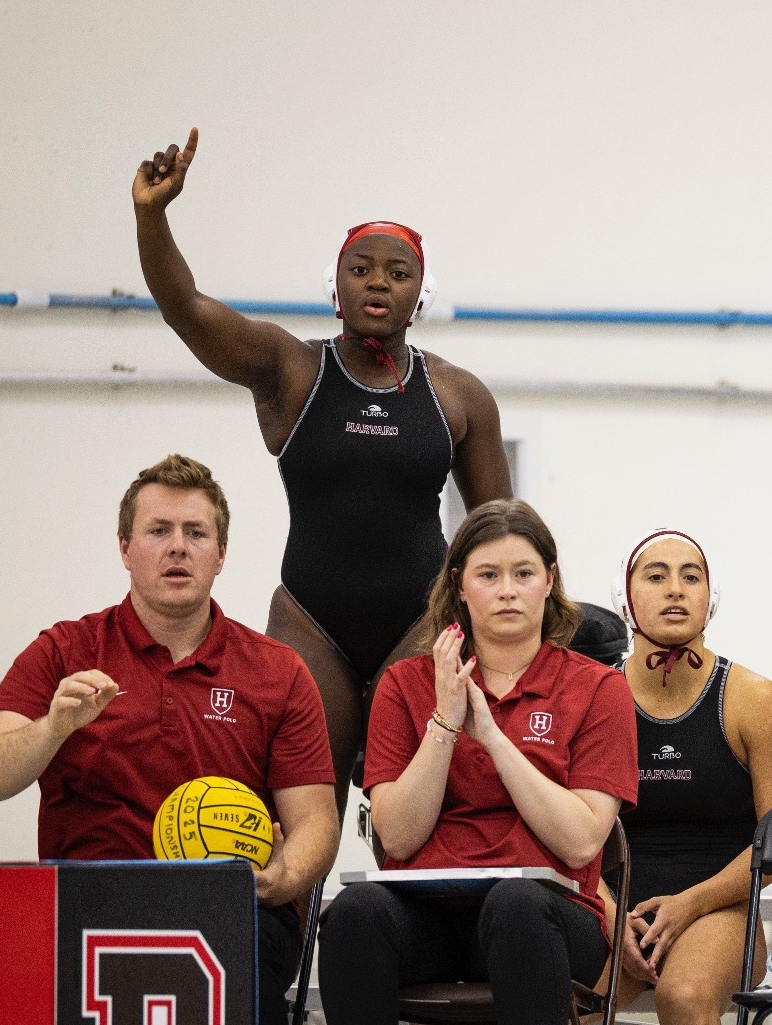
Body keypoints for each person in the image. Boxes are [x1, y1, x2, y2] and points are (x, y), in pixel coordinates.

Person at [131, 128, 514, 809]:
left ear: (420, 294)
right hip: (312, 622)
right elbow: (187, 310)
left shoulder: (459, 395)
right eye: (361, 268)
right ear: (334, 284)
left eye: (399, 274)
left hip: (421, 623)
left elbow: (503, 534)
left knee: (417, 814)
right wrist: (151, 216)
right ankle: (294, 920)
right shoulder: (292, 370)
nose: (378, 282)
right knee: (296, 817)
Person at [0, 454, 339, 1025]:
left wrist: (280, 878)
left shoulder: (277, 671)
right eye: (158, 531)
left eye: (195, 533)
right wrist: (53, 727)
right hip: (92, 900)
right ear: (125, 549)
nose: (177, 547)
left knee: (253, 949)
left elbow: (315, 822)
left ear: (220, 554)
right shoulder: (64, 650)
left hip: (232, 903)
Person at [320, 500, 637, 1025]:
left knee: (515, 904)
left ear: (548, 581)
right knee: (354, 913)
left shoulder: (599, 687)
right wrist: (445, 722)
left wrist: (490, 735)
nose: (507, 590)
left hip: (548, 915)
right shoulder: (404, 684)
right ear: (460, 585)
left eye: (524, 573)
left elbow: (581, 841)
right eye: (488, 575)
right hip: (429, 919)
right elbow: (396, 838)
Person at [607, 528, 772, 1025]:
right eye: (656, 576)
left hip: (723, 909)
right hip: (613, 907)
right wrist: (611, 916)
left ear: (710, 599)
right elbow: (568, 832)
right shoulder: (595, 699)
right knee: (561, 997)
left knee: (686, 994)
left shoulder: (754, 701)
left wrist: (692, 904)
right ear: (625, 599)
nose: (675, 588)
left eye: (690, 576)